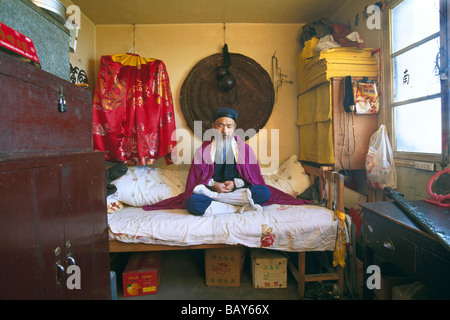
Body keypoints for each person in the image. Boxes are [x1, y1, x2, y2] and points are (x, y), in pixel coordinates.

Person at [142, 107, 310, 215]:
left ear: (234, 129)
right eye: (220, 125)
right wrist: (214, 186)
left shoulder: (245, 150)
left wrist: (234, 184)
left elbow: (252, 180)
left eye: (229, 126)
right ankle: (234, 207)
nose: (224, 130)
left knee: (264, 192)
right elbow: (196, 181)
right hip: (213, 193)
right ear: (213, 127)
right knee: (192, 203)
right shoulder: (203, 151)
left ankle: (224, 207)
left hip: (238, 192)